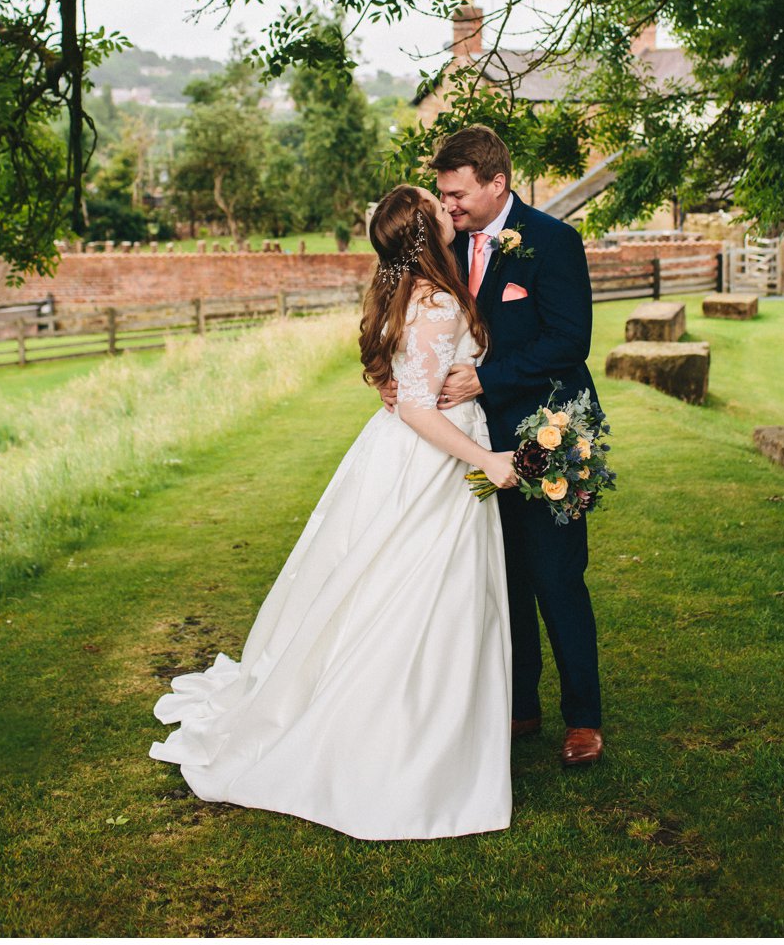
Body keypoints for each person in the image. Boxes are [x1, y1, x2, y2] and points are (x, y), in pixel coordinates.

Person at [149, 184, 518, 839]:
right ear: (427, 234)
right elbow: (416, 407)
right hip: (432, 463)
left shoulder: (399, 291)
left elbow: (395, 384)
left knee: (384, 587)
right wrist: (485, 461)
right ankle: (402, 746)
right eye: (437, 207)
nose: (446, 208)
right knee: (422, 596)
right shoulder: (433, 301)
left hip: (400, 457)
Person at [425, 124, 605, 768]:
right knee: (501, 580)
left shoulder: (554, 243)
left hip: (545, 437)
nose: (447, 204)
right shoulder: (443, 246)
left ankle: (583, 717)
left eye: (456, 193)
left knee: (556, 577)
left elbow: (568, 341)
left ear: (495, 182)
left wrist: (487, 376)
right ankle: (519, 705)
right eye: (443, 194)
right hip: (475, 443)